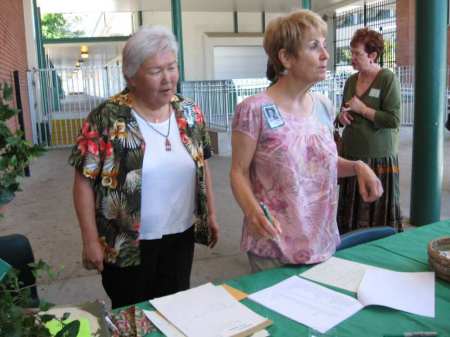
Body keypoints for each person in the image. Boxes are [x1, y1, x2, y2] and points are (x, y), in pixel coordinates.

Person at [69, 26, 219, 309]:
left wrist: (210, 213)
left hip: (180, 234)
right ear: (131, 75)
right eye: (155, 71)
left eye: (172, 67)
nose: (168, 79)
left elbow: (202, 165)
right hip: (127, 241)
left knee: (175, 307)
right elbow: (83, 182)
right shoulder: (107, 117)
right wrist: (90, 240)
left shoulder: (189, 112)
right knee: (132, 312)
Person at [230, 10, 383, 273]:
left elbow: (318, 161)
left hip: (322, 242)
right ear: (286, 57)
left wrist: (357, 166)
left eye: (324, 45)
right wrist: (252, 210)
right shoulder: (253, 110)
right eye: (314, 46)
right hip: (274, 247)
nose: (325, 55)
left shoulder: (322, 105)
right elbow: (238, 172)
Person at [337, 28, 402, 234]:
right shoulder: (350, 81)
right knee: (351, 212)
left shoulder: (387, 79)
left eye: (357, 53)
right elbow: (344, 110)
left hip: (378, 158)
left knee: (377, 210)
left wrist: (363, 110)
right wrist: (341, 117)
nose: (352, 58)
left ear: (373, 55)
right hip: (351, 158)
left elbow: (393, 119)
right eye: (352, 52)